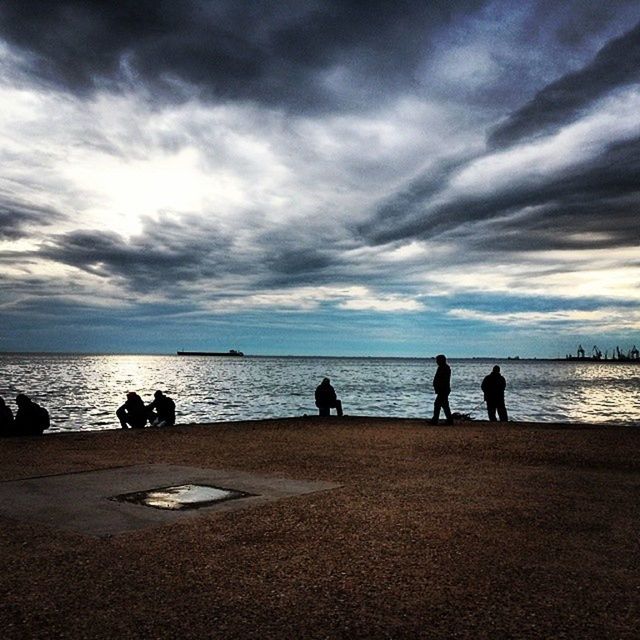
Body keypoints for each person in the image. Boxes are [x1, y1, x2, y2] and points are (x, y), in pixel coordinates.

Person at [431, 354, 453, 425]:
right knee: (444, 405)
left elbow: (443, 380)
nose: (436, 362)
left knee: (438, 404)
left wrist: (439, 387)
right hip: (442, 389)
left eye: (437, 360)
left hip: (443, 390)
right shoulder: (442, 367)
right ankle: (449, 420)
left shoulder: (445, 368)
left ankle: (435, 420)